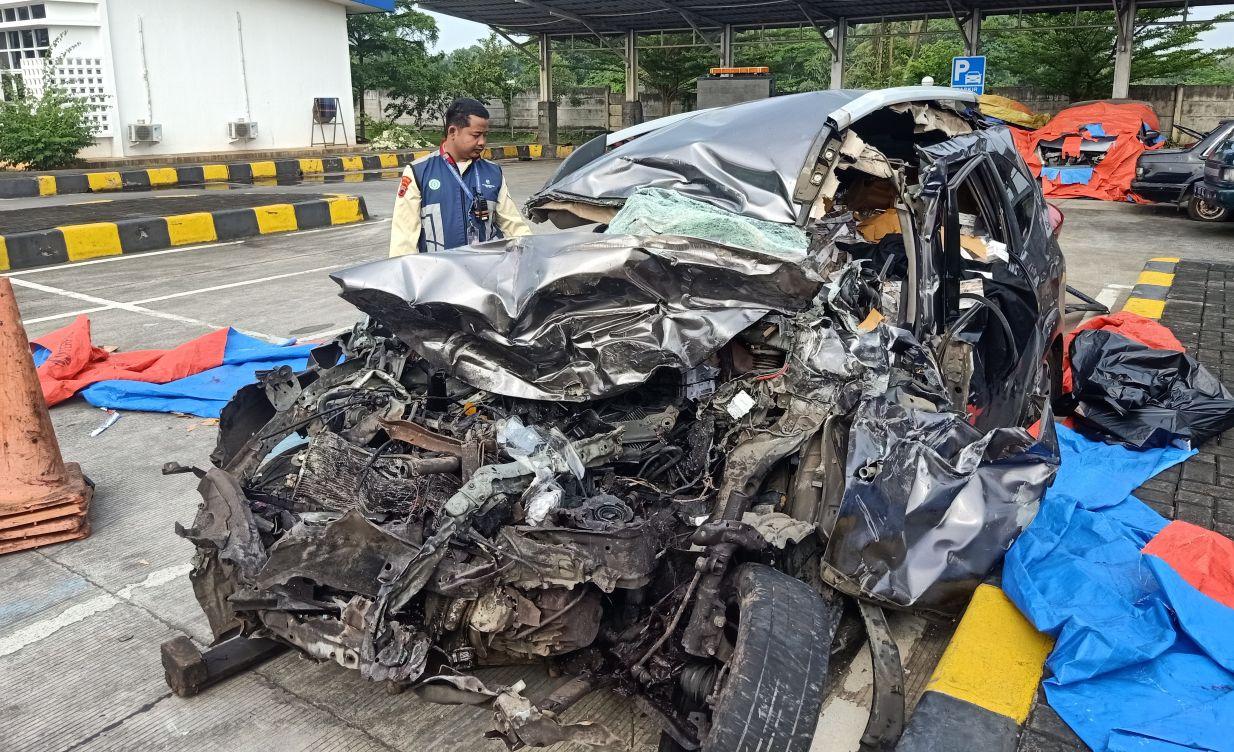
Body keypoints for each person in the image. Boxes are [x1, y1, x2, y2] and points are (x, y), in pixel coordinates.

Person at [389, 98, 532, 256]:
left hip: (484, 273)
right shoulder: (418, 172)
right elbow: (404, 239)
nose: (482, 142)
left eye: (485, 135)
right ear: (452, 132)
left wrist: (533, 251)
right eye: (476, 135)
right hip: (438, 274)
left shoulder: (493, 172)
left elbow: (512, 224)